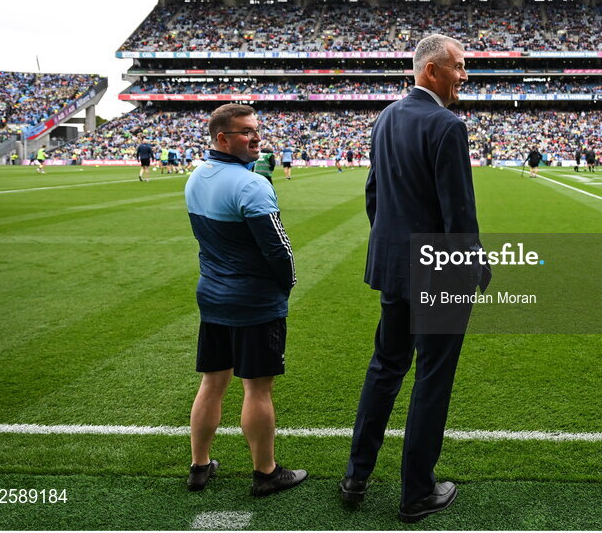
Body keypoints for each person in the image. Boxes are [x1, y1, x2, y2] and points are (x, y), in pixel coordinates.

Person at [340, 34, 490, 523]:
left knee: (385, 366)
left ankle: (356, 475)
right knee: (432, 376)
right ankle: (416, 492)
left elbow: (373, 196)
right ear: (432, 71)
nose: (464, 76)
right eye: (459, 67)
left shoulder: (385, 117)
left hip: (394, 267)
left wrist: (394, 252)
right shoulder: (448, 126)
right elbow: (458, 213)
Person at [184, 103, 306, 496]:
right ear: (222, 138)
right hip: (254, 301)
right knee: (257, 388)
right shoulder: (252, 185)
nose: (256, 137)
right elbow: (278, 249)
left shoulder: (196, 177)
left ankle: (199, 465)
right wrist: (287, 283)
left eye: (256, 130)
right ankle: (265, 473)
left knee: (212, 383)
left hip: (213, 295)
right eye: (245, 132)